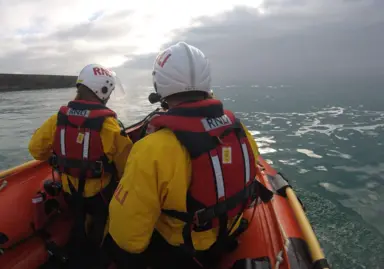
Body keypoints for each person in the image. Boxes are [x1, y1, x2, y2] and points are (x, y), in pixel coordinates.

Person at [106, 42, 272, 269]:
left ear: (160, 85)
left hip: (180, 249)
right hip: (228, 233)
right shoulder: (240, 132)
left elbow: (128, 236)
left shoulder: (151, 149)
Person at [28, 64, 133, 268]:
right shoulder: (109, 126)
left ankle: (80, 246)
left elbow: (36, 150)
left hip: (70, 192)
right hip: (101, 196)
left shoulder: (58, 119)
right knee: (103, 230)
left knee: (79, 220)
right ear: (102, 91)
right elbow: (128, 166)